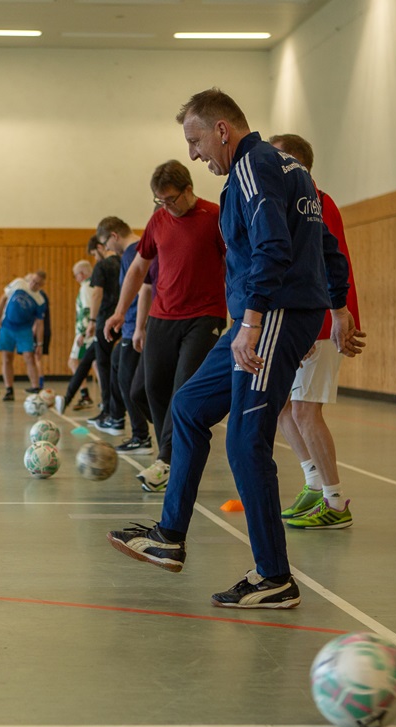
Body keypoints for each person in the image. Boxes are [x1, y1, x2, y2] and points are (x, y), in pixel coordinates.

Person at [107, 87, 358, 610]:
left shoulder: (252, 168)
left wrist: (254, 322)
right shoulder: (293, 169)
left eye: (196, 140)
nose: (195, 154)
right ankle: (169, 535)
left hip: (270, 315)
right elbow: (327, 247)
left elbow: (273, 247)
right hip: (279, 314)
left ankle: (274, 577)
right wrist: (334, 307)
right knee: (190, 407)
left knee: (246, 441)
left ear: (222, 129)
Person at [104, 161, 228, 492]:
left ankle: (168, 460)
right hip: (163, 316)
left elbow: (235, 264)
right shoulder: (158, 220)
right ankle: (171, 454)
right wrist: (120, 313)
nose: (166, 207)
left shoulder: (214, 217)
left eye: (171, 199)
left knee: (182, 389)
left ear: (188, 190)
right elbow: (138, 270)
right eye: (159, 201)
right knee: (146, 388)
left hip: (205, 316)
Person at [270, 133, 364, 530]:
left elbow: (327, 265)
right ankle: (312, 482)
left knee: (307, 411)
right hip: (299, 317)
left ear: (296, 163)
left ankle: (335, 501)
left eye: (276, 159)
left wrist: (321, 322)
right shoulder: (291, 202)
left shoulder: (317, 203)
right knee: (283, 407)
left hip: (320, 319)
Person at [98, 217, 156, 454]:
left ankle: (141, 436)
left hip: (136, 326)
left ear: (114, 235)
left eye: (105, 243)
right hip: (131, 325)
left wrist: (139, 327)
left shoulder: (133, 252)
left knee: (126, 380)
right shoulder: (133, 251)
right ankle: (128, 424)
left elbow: (145, 289)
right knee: (116, 368)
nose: (107, 250)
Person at [0, 270, 50, 401]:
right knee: (7, 357)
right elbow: (3, 298)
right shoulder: (19, 283)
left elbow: (40, 323)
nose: (33, 284)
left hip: (24, 330)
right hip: (7, 326)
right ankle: (9, 389)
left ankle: (35, 387)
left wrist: (40, 344)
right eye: (33, 281)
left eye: (37, 284)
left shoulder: (40, 300)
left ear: (41, 286)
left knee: (29, 357)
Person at [87, 236, 123, 433]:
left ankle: (108, 411)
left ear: (100, 247)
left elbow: (96, 294)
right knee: (119, 366)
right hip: (123, 319)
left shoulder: (101, 267)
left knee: (103, 365)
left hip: (104, 321)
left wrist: (92, 321)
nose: (95, 258)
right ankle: (114, 411)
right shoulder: (123, 261)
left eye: (94, 254)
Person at [55, 257, 97, 415]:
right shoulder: (93, 286)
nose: (76, 278)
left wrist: (83, 333)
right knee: (96, 363)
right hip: (89, 331)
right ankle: (106, 398)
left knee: (74, 362)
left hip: (85, 332)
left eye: (75, 275)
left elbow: (87, 310)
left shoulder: (86, 287)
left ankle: (85, 396)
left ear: (82, 274)